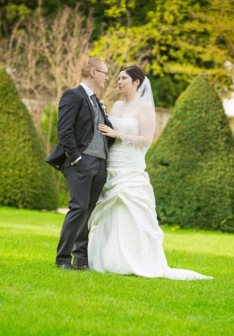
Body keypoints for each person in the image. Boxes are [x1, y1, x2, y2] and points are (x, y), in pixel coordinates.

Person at [88, 66, 212, 280]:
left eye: (124, 78)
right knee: (110, 211)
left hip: (130, 167)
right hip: (112, 165)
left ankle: (133, 260)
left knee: (131, 211)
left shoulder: (145, 108)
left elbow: (147, 139)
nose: (118, 82)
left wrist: (118, 133)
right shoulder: (116, 105)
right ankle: (107, 259)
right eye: (118, 78)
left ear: (137, 82)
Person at [46, 58, 116, 270]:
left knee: (88, 212)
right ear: (93, 73)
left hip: (99, 164)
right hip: (80, 162)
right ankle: (63, 260)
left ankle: (81, 260)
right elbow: (65, 131)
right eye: (105, 73)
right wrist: (77, 159)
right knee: (78, 208)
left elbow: (103, 130)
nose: (107, 77)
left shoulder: (97, 100)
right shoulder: (73, 95)